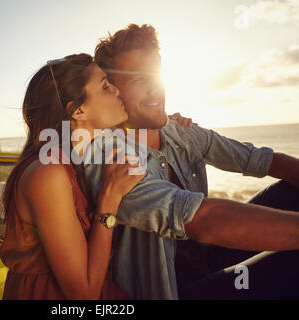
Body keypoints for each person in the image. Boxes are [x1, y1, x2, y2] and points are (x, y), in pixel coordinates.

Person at [79, 23, 299, 300]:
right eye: (139, 80)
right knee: (293, 263)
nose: (156, 90)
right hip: (172, 290)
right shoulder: (110, 155)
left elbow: (267, 161)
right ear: (113, 91)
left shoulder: (180, 131)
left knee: (290, 191)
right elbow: (202, 222)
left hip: (208, 259)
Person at [0, 54, 147, 300]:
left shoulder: (80, 161)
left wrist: (172, 124)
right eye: (105, 86)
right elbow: (83, 295)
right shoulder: (48, 173)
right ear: (78, 110)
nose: (116, 90)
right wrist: (110, 199)